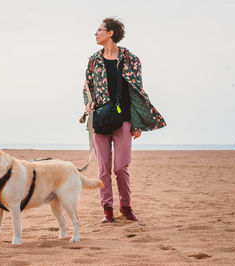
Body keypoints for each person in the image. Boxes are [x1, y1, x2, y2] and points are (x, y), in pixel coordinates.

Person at [83, 17, 166, 223]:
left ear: (110, 33)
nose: (96, 34)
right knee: (103, 170)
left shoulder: (131, 59)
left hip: (124, 119)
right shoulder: (94, 60)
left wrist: (137, 124)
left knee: (121, 167)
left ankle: (125, 206)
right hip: (100, 120)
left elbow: (137, 92)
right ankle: (107, 210)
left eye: (99, 30)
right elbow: (87, 88)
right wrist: (88, 104)